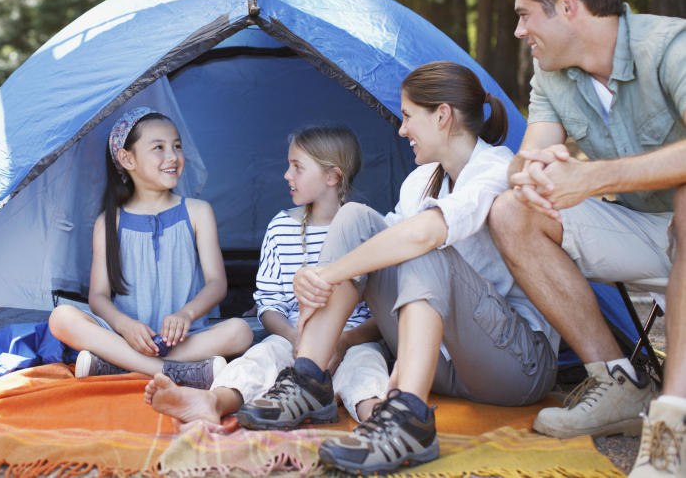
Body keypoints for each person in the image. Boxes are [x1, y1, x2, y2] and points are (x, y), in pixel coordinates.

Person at [235, 62, 558, 475]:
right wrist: (313, 273)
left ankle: (409, 417)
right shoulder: (420, 181)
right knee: (353, 217)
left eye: (408, 117)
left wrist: (327, 275)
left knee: (424, 240)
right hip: (441, 362)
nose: (402, 130)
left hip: (514, 366)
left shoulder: (495, 169)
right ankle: (310, 376)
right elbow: (373, 243)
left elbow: (421, 237)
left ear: (442, 116)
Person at [488, 0, 686, 477]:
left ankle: (674, 420)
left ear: (569, 6)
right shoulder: (552, 76)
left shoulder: (670, 47)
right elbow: (524, 161)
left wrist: (593, 176)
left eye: (525, 15)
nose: (518, 31)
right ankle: (619, 383)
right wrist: (531, 173)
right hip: (640, 233)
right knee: (512, 210)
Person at [144, 125, 390, 426]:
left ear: (332, 176)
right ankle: (213, 401)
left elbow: (385, 315)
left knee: (366, 366)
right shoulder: (280, 228)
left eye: (297, 167)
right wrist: (294, 337)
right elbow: (269, 304)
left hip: (352, 341)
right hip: (292, 340)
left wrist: (345, 341)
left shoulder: (366, 228)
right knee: (263, 357)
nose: (287, 175)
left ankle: (379, 419)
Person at [48, 107, 252, 389]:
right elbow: (98, 296)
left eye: (177, 146)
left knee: (240, 332)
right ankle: (174, 371)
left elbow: (217, 284)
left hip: (185, 338)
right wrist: (124, 326)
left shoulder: (197, 212)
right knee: (60, 318)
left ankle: (118, 365)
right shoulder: (110, 221)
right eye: (159, 147)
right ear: (127, 159)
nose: (173, 157)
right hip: (127, 337)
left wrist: (186, 314)